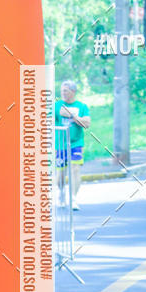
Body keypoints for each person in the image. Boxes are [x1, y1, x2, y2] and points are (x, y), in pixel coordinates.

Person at [54, 80, 90, 211]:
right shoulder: (56, 106)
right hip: (60, 144)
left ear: (73, 92)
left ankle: (73, 198)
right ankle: (61, 192)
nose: (63, 93)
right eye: (62, 91)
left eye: (66, 91)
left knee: (75, 169)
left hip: (76, 143)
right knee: (60, 173)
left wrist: (71, 115)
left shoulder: (82, 106)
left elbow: (87, 124)